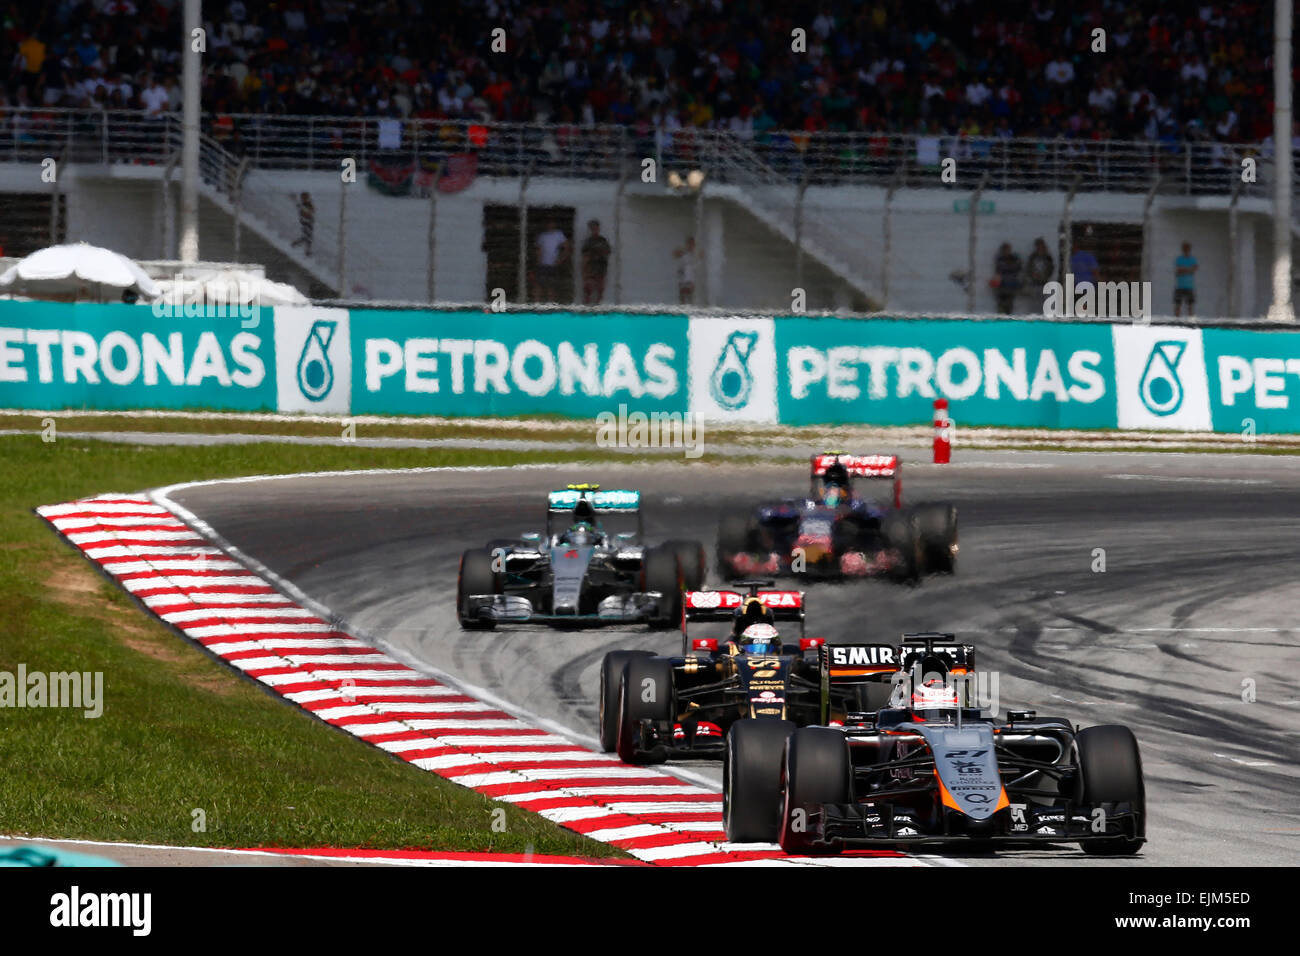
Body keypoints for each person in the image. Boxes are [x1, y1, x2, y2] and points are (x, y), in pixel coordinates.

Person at [534, 218, 568, 302]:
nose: (550, 225)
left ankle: (550, 304)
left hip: (553, 264)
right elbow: (538, 250)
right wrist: (538, 262)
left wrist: (561, 259)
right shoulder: (542, 236)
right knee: (539, 285)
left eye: (552, 223)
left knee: (551, 286)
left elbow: (567, 247)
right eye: (548, 223)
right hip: (542, 264)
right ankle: (537, 304)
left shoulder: (558, 234)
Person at [580, 219, 611, 305]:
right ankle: (586, 306)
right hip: (590, 267)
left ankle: (598, 305)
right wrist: (584, 269)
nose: (594, 229)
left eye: (595, 227)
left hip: (601, 267)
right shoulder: (588, 241)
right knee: (588, 288)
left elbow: (607, 252)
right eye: (592, 228)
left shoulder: (603, 240)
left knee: (600, 288)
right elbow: (585, 256)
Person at [993, 242, 1023, 314]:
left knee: (1009, 305)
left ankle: (1008, 316)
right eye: (1005, 250)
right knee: (1001, 305)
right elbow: (999, 271)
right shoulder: (1000, 259)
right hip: (1002, 286)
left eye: (1008, 249)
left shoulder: (1014, 258)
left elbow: (1018, 268)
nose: (1006, 251)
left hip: (1011, 285)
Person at [1174, 241, 1198, 316]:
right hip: (1180, 285)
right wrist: (1188, 269)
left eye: (1187, 248)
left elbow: (1194, 269)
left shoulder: (1192, 259)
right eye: (1184, 248)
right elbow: (1178, 270)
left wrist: (1184, 270)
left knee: (1190, 305)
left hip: (1189, 286)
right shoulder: (1179, 259)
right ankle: (1176, 321)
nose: (1186, 249)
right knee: (1178, 304)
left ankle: (1191, 321)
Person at [674, 236, 696, 304]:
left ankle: (691, 305)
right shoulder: (683, 252)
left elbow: (702, 255)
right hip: (683, 274)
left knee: (690, 292)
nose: (690, 245)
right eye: (689, 243)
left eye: (692, 244)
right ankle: (682, 305)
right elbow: (675, 254)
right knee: (682, 292)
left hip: (690, 275)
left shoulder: (695, 252)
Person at [291, 192, 314, 256]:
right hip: (306, 222)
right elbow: (308, 212)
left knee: (308, 237)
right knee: (307, 237)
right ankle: (305, 250)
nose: (306, 198)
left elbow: (311, 211)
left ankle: (305, 249)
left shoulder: (307, 204)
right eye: (305, 197)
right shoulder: (304, 204)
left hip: (308, 222)